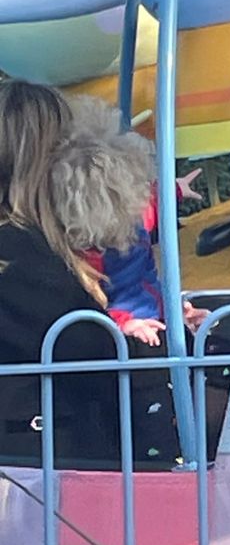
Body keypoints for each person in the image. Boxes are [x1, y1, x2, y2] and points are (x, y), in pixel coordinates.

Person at [0, 80, 179, 465]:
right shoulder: (25, 257)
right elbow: (93, 353)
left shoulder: (27, 251)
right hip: (48, 459)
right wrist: (163, 338)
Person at [51, 94, 209, 347]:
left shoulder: (134, 216)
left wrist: (175, 190)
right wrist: (123, 325)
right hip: (133, 334)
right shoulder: (84, 256)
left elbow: (152, 205)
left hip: (157, 313)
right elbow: (92, 307)